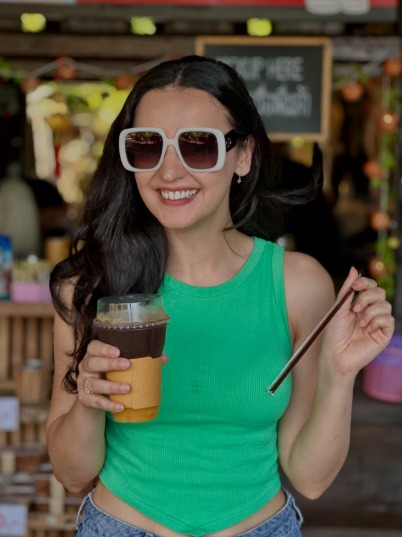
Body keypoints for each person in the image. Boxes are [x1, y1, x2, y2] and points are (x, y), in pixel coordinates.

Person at [46, 55, 394, 537]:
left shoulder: (297, 284)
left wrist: (340, 373)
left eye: (198, 146)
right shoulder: (90, 287)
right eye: (147, 146)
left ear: (243, 154)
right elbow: (71, 475)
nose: (169, 172)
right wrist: (88, 400)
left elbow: (310, 477)